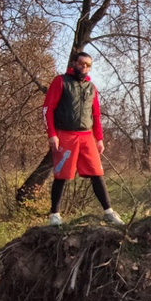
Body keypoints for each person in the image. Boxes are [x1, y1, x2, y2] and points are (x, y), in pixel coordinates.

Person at [42, 51, 124, 226]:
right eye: (81, 63)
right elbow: (48, 109)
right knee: (62, 175)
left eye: (88, 65)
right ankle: (54, 215)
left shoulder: (91, 87)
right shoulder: (61, 81)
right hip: (65, 134)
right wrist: (52, 134)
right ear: (74, 63)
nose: (84, 67)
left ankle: (109, 212)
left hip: (87, 135)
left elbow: (96, 115)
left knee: (97, 172)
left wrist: (99, 139)